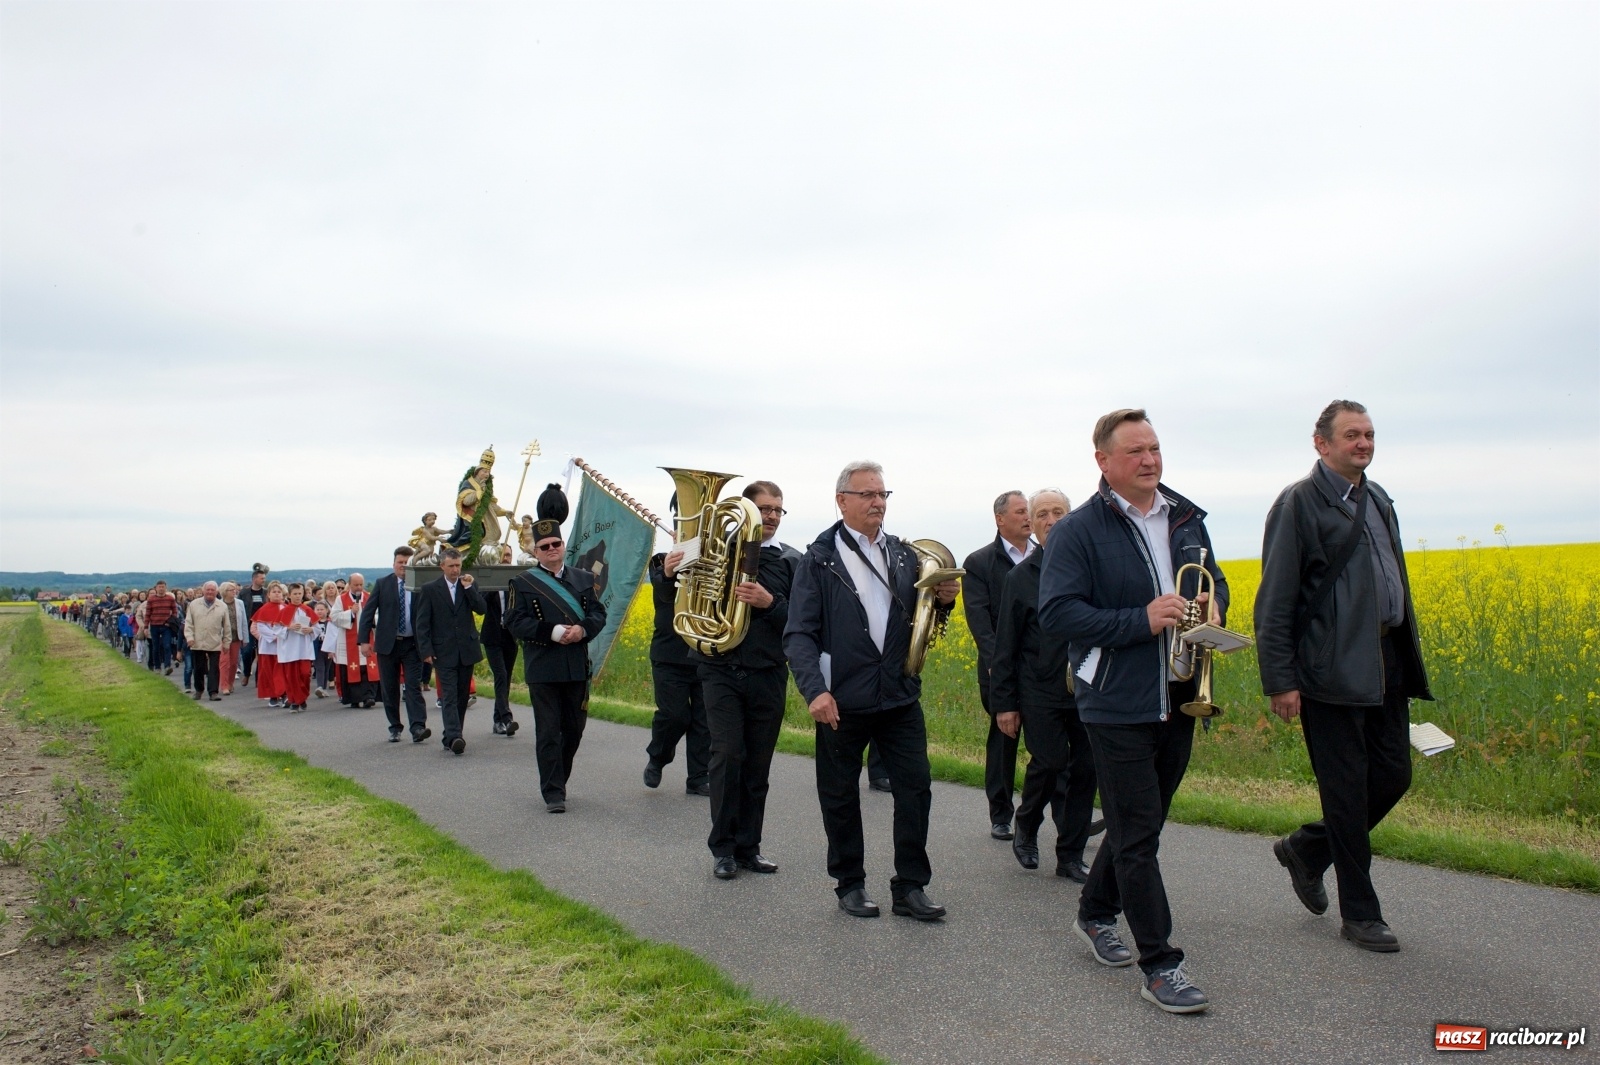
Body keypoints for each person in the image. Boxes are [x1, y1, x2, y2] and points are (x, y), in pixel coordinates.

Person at [1038, 408, 1227, 1015]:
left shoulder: (1186, 518)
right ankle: (1161, 965)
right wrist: (1139, 621)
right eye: (1136, 452)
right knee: (1139, 833)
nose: (1150, 460)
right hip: (1115, 699)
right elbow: (1059, 614)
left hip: (1178, 690)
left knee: (1139, 825)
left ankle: (1094, 913)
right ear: (1104, 462)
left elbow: (1213, 583)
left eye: (1155, 448)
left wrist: (1213, 605)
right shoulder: (1078, 531)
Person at [1255, 400, 1432, 954]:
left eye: (1370, 435)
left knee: (1393, 776)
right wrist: (1281, 678)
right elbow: (1275, 598)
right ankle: (1361, 913)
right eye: (1352, 435)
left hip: (1385, 662)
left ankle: (1307, 849)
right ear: (1321, 442)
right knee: (1346, 793)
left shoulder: (1377, 498)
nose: (1363, 443)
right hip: (1329, 669)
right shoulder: (1300, 503)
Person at [784, 460, 959, 921]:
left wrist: (944, 603)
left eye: (883, 495)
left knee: (916, 789)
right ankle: (850, 883)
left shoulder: (904, 554)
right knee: (840, 793)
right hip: (841, 698)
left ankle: (910, 886)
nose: (878, 503)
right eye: (867, 495)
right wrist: (814, 691)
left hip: (899, 695)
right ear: (842, 500)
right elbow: (799, 633)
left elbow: (921, 620)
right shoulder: (818, 559)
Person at [990, 489, 1099, 882]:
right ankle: (1027, 824)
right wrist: (1005, 703)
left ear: (1071, 518)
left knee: (1086, 769)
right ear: (1032, 525)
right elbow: (1006, 645)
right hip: (1039, 689)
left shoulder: (1090, 567)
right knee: (1051, 761)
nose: (1051, 520)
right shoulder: (1020, 577)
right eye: (1042, 514)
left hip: (1088, 686)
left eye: (1058, 512)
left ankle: (1070, 855)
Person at [697, 481, 801, 880]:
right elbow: (675, 586)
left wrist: (769, 603)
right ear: (748, 511)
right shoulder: (713, 550)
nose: (773, 515)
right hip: (720, 668)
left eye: (778, 509)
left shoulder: (793, 561)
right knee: (727, 756)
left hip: (768, 672)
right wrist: (668, 569)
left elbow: (802, 620)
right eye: (765, 509)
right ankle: (722, 848)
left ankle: (748, 847)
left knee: (758, 764)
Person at [505, 519, 606, 812]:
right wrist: (552, 631)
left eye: (556, 544)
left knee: (573, 730)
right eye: (544, 546)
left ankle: (558, 779)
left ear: (563, 546)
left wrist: (582, 630)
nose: (551, 549)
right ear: (536, 551)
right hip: (543, 667)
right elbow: (513, 621)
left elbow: (598, 614)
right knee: (549, 731)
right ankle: (553, 792)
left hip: (575, 666)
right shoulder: (522, 583)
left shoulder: (584, 579)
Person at [961, 490, 1034, 839]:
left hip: (1042, 669)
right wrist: (998, 665)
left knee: (1050, 743)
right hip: (999, 670)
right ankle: (1001, 814)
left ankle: (1052, 813)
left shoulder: (1048, 556)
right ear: (1000, 519)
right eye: (1020, 511)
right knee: (1004, 739)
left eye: (1028, 511)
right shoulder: (979, 563)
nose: (1028, 517)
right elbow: (979, 621)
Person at [643, 503, 711, 796]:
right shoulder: (661, 561)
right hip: (670, 656)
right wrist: (670, 572)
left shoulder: (714, 561)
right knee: (675, 716)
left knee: (704, 721)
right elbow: (661, 590)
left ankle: (698, 777)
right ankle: (658, 757)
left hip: (704, 651)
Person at [414, 547, 486, 755]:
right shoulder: (430, 589)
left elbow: (481, 609)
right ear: (442, 566)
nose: (455, 570)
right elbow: (422, 623)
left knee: (463, 695)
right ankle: (455, 736)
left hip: (466, 649)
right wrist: (425, 650)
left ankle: (452, 735)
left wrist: (470, 588)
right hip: (442, 651)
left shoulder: (468, 585)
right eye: (451, 566)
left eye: (458, 565)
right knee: (449, 695)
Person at [359, 547, 433, 743]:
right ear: (394, 564)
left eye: (408, 562)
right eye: (400, 562)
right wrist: (364, 641)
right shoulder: (383, 584)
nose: (404, 566)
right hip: (387, 645)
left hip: (412, 645)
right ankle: (395, 726)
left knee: (413, 686)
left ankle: (418, 727)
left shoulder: (420, 585)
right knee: (390, 688)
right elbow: (368, 613)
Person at [479, 549, 522, 738]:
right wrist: (493, 584)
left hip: (510, 636)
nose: (507, 559)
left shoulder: (515, 582)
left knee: (506, 677)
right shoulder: (489, 581)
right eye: (503, 555)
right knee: (501, 675)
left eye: (509, 555)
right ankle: (506, 718)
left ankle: (498, 721)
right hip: (492, 636)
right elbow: (480, 606)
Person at [330, 573, 378, 707]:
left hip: (367, 640)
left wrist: (374, 619)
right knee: (351, 669)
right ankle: (354, 698)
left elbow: (378, 614)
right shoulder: (341, 599)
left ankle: (369, 697)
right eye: (356, 585)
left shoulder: (369, 597)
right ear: (349, 585)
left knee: (367, 669)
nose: (359, 588)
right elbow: (334, 617)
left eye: (361, 585)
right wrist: (350, 613)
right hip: (348, 641)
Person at [183, 581, 228, 701]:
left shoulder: (222, 606)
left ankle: (213, 692)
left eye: (212, 590)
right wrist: (190, 637)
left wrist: (226, 642)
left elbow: (227, 626)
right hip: (198, 641)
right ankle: (199, 690)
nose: (210, 592)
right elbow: (188, 623)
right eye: (208, 590)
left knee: (214, 668)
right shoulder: (194, 604)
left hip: (214, 641)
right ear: (203, 591)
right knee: (198, 668)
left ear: (216, 592)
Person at [278, 583, 318, 712]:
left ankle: (302, 697)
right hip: (289, 649)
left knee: (305, 674)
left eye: (299, 594)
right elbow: (276, 630)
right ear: (289, 595)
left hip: (304, 648)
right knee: (291, 677)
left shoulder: (307, 610)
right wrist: (288, 628)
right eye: (294, 594)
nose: (297, 596)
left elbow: (318, 628)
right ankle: (295, 701)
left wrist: (311, 629)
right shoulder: (284, 611)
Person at [251, 583, 288, 708]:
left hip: (283, 646)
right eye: (274, 591)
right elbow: (261, 626)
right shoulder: (263, 609)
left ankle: (284, 694)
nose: (277, 593)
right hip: (268, 646)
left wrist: (281, 635)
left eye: (279, 591)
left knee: (282, 672)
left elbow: (289, 625)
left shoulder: (286, 608)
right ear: (268, 595)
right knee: (269, 672)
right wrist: (274, 636)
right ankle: (273, 696)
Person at [239, 565, 270, 685]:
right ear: (254, 579)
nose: (264, 580)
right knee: (247, 652)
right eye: (262, 578)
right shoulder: (244, 593)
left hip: (263, 626)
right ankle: (247, 673)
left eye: (264, 578)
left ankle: (259, 679)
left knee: (262, 653)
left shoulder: (266, 593)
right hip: (248, 626)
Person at [218, 582, 247, 696]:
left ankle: (230, 683)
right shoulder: (219, 604)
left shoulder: (240, 603)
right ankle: (224, 685)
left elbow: (243, 621)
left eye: (235, 590)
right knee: (224, 662)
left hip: (236, 637)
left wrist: (245, 638)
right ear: (225, 592)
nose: (234, 592)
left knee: (234, 662)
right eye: (231, 590)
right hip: (223, 637)